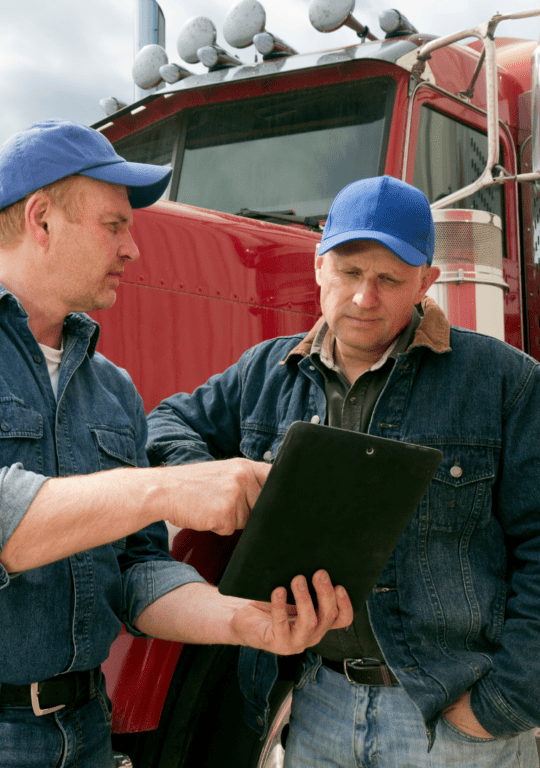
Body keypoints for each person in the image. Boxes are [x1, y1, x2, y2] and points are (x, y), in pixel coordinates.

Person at [0, 119, 353, 768]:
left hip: (84, 729)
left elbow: (135, 573)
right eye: (115, 225)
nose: (133, 249)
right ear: (42, 219)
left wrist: (242, 622)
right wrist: (166, 487)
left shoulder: (110, 387)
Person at [146, 175, 540, 767]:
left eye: (389, 279)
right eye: (351, 272)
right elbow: (164, 423)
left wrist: (502, 704)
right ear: (319, 266)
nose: (364, 298)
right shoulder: (264, 372)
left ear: (427, 282)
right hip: (314, 705)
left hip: (451, 719)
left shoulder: (504, 383)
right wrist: (212, 480)